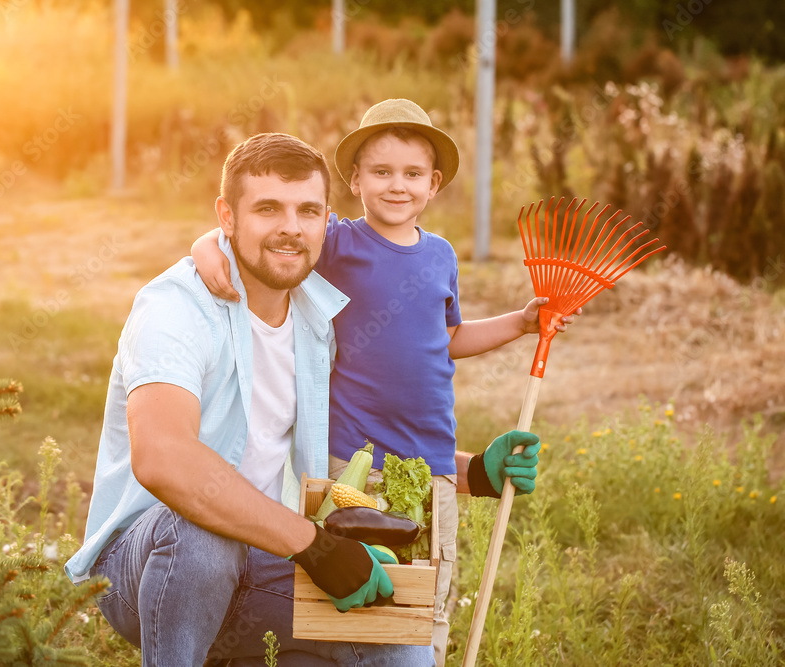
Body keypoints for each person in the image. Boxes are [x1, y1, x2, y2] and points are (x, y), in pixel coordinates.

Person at [190, 99, 569, 665]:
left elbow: (448, 337)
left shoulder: (441, 255)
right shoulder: (341, 242)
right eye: (382, 172)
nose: (398, 186)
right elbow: (268, 239)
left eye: (413, 174)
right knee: (356, 589)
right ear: (355, 179)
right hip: (354, 459)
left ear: (433, 183)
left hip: (432, 455)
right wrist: (206, 247)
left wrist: (520, 322)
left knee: (427, 589)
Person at [64, 132, 438, 666]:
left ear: (326, 223)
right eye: (267, 208)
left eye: (308, 211)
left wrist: (473, 471)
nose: (291, 226)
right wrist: (312, 544)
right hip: (145, 565)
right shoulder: (175, 310)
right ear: (227, 216)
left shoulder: (318, 317)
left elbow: (364, 437)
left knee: (396, 641)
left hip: (264, 559)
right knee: (202, 534)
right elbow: (163, 458)